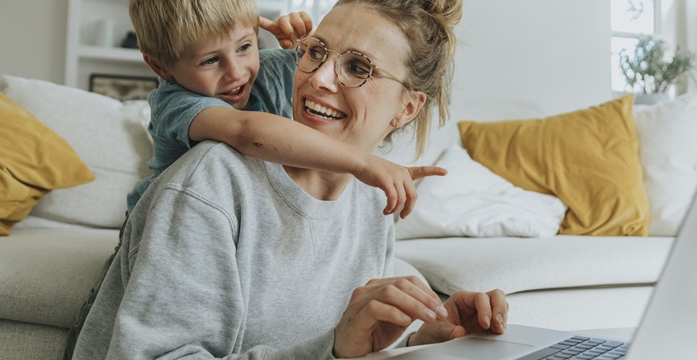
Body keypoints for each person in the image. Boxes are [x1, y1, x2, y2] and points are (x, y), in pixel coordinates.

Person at [70, 0, 507, 358]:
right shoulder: (209, 184)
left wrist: (423, 341)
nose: (317, 77)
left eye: (358, 67)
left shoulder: (372, 202)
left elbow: (335, 346)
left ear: (407, 108)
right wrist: (332, 349)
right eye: (316, 52)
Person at [126, 0, 444, 219]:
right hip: (163, 233)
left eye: (245, 47)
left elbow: (320, 69)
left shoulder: (266, 69)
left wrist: (305, 44)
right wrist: (362, 162)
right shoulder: (175, 101)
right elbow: (246, 132)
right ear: (159, 65)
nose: (237, 72)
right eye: (210, 60)